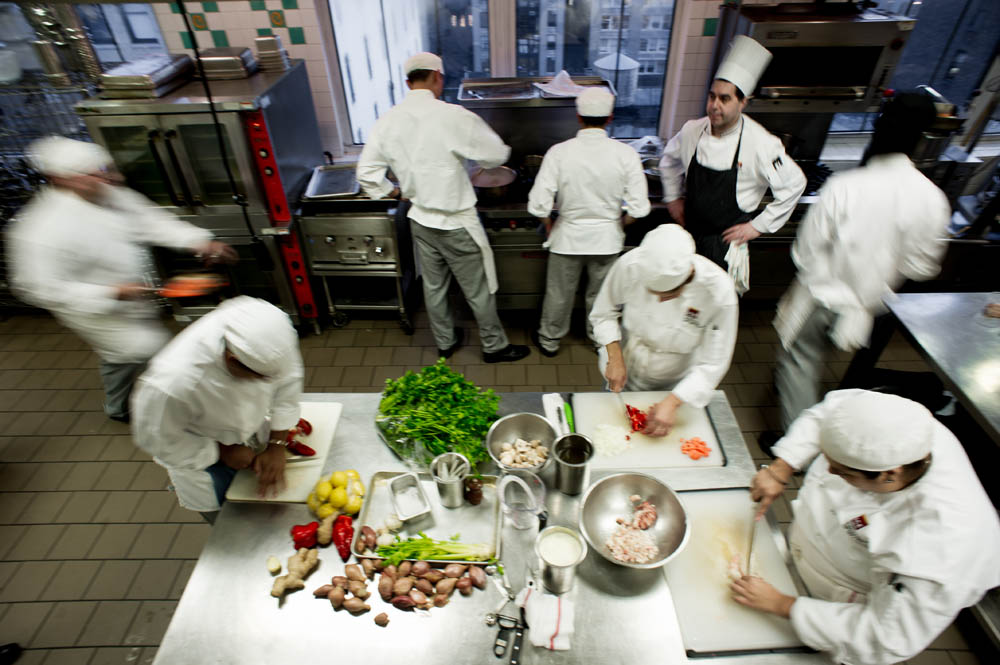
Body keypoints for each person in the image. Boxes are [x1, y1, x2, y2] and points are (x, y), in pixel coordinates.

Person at [733, 389, 1000, 665]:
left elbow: (886, 637)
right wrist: (782, 468)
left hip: (840, 606)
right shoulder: (896, 422)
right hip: (809, 555)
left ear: (889, 474)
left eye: (842, 471)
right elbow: (830, 414)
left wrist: (782, 604)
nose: (829, 471)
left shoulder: (942, 542)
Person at [6, 136, 235, 422]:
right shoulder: (40, 229)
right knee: (149, 349)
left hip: (133, 295)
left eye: (108, 169)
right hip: (94, 311)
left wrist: (199, 242)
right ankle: (177, 412)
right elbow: (37, 287)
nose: (114, 178)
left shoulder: (109, 193)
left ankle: (117, 404)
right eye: (98, 174)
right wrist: (111, 292)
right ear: (64, 179)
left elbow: (150, 220)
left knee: (121, 357)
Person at [769, 92, 951, 436]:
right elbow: (922, 269)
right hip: (867, 307)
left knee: (799, 366)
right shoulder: (932, 199)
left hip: (819, 298)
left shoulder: (846, 186)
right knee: (817, 363)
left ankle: (798, 451)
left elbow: (804, 252)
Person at [356, 52, 529, 364]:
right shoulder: (455, 116)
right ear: (438, 77)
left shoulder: (387, 120)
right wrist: (471, 156)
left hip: (420, 219)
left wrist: (394, 191)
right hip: (456, 223)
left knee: (434, 288)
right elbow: (496, 156)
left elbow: (366, 174)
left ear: (408, 82)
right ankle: (494, 347)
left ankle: (445, 343)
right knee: (477, 289)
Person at [132, 297, 303, 523]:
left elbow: (288, 386)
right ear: (232, 359)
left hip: (248, 438)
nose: (268, 383)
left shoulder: (268, 329)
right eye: (260, 378)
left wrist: (276, 445)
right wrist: (222, 452)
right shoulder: (172, 383)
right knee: (232, 525)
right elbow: (156, 438)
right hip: (201, 462)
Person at [659, 36, 805, 276]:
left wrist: (757, 227)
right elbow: (669, 161)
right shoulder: (692, 130)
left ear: (742, 102)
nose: (715, 105)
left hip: (725, 246)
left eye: (725, 98)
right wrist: (673, 197)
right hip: (689, 236)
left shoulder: (761, 143)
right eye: (712, 96)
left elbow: (795, 184)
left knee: (717, 305)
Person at [527, 87, 651, 357]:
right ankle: (598, 340)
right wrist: (619, 223)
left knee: (559, 295)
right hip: (607, 240)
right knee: (601, 297)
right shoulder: (625, 154)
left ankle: (549, 341)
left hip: (566, 239)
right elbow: (640, 208)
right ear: (610, 118)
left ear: (578, 117)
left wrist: (549, 224)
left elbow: (538, 204)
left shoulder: (559, 152)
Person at [589, 224, 738, 437]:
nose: (658, 299)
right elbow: (604, 312)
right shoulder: (630, 265)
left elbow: (714, 363)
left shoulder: (719, 292)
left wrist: (674, 402)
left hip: (676, 381)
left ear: (688, 275)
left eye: (667, 294)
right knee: (612, 431)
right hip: (627, 364)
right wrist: (614, 355)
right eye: (651, 292)